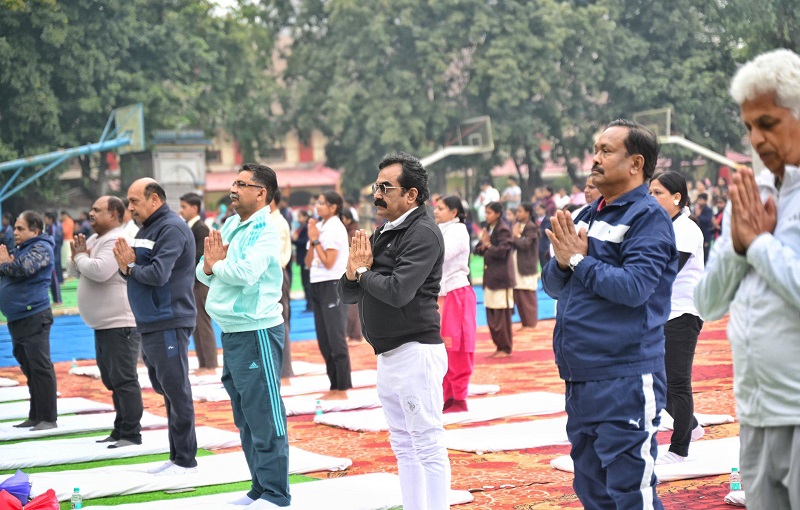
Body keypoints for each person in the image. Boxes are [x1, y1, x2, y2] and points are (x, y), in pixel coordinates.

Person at [542, 119, 677, 508]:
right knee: (592, 491)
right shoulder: (586, 215)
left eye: (605, 151)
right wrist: (566, 263)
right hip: (581, 376)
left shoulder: (647, 218)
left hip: (626, 377)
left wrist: (579, 262)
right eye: (595, 150)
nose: (595, 159)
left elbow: (634, 289)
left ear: (636, 163)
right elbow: (552, 284)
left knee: (630, 493)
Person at [695, 48, 800, 508]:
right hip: (755, 413)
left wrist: (759, 245)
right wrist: (740, 249)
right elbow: (708, 302)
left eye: (768, 123)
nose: (755, 139)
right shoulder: (749, 195)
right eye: (749, 126)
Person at [338, 151, 450, 509]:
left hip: (416, 351)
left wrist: (364, 273)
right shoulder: (385, 230)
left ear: (411, 195)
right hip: (389, 354)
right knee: (403, 442)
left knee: (428, 443)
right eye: (377, 186)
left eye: (386, 187)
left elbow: (399, 291)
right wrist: (354, 271)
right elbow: (347, 292)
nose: (377, 194)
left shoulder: (423, 232)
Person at [196, 164, 290, 508]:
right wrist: (212, 266)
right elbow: (205, 271)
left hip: (257, 331)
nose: (233, 189)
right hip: (233, 332)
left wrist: (216, 266)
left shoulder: (268, 228)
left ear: (261, 192)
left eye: (241, 184)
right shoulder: (233, 224)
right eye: (233, 182)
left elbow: (245, 273)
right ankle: (259, 487)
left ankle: (277, 494)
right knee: (246, 416)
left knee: (265, 414)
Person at [112, 178, 198, 476]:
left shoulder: (171, 228)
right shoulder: (145, 229)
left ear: (155, 199)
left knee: (177, 390)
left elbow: (159, 274)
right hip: (150, 321)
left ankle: (186, 460)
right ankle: (176, 455)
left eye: (135, 201)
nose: (130, 207)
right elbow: (135, 272)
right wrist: (129, 269)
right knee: (165, 389)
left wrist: (130, 268)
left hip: (169, 319)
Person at [67, 196, 143, 448]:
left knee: (123, 379)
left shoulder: (116, 239)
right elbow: (75, 270)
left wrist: (80, 258)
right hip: (104, 325)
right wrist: (78, 258)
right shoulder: (95, 238)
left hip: (119, 324)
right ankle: (120, 429)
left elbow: (99, 271)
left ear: (113, 214)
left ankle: (131, 433)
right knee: (112, 380)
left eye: (96, 210)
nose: (90, 213)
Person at [648, 171, 706, 464]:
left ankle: (679, 448)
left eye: (657, 193)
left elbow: (665, 271)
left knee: (677, 382)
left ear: (676, 197)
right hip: (662, 314)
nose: (652, 198)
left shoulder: (686, 228)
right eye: (650, 192)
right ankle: (692, 426)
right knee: (657, 381)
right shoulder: (661, 226)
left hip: (683, 313)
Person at [0, 211, 58, 430]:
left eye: (20, 228)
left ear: (35, 230)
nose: (15, 232)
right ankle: (36, 415)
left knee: (40, 367)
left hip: (34, 315)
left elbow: (23, 268)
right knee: (29, 368)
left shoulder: (41, 248)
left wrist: (4, 264)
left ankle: (48, 418)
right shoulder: (21, 249)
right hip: (18, 317)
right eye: (15, 228)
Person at [306, 191, 351, 399]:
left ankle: (342, 387)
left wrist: (315, 241)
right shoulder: (320, 227)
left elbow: (329, 262)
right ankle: (333, 385)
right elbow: (308, 263)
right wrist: (312, 239)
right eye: (318, 202)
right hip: (316, 283)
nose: (318, 206)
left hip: (332, 283)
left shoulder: (334, 228)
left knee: (336, 337)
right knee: (324, 339)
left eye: (322, 203)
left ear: (333, 207)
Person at [433, 195, 477, 413]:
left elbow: (440, 255)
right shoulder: (440, 229)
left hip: (456, 294)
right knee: (441, 349)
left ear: (454, 212)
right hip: (441, 295)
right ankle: (447, 395)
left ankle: (459, 397)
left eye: (441, 208)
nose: (436, 211)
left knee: (457, 347)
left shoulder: (458, 230)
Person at [179, 192, 218, 375]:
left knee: (203, 322)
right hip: (191, 281)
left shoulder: (200, 229)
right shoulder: (190, 228)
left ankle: (210, 364)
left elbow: (201, 257)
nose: (181, 210)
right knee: (195, 323)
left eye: (184, 207)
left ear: (194, 208)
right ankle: (204, 363)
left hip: (200, 282)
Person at [475, 201, 515, 358]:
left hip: (501, 279)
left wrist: (488, 245)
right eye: (485, 212)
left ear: (498, 214)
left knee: (501, 316)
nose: (486, 215)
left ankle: (505, 348)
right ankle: (499, 347)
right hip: (490, 278)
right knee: (492, 314)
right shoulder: (488, 229)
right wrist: (485, 245)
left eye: (489, 212)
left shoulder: (503, 230)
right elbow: (477, 250)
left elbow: (502, 251)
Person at [270, 189, 294, 380]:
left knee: (280, 321)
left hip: (276, 273)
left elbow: (274, 255)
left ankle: (285, 370)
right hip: (270, 274)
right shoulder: (269, 221)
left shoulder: (277, 223)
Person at [511, 202, 539, 329]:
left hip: (526, 265)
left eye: (520, 211)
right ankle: (524, 323)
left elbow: (525, 245)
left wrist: (515, 236)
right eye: (517, 211)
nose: (518, 214)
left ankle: (531, 323)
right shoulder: (517, 226)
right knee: (518, 295)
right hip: (517, 266)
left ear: (527, 213)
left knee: (527, 295)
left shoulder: (531, 227)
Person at [341, 209, 363, 343]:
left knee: (352, 305)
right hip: (350, 270)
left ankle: (355, 334)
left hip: (354, 270)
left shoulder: (354, 232)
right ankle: (352, 333)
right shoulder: (349, 231)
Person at [291, 209, 312, 312]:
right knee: (305, 282)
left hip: (305, 258)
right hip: (302, 258)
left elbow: (304, 242)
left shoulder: (307, 228)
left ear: (305, 217)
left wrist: (294, 240)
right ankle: (309, 304)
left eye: (300, 217)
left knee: (307, 282)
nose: (298, 219)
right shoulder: (301, 228)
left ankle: (310, 305)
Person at [43, 212, 63, 304]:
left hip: (53, 256)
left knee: (54, 278)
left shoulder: (54, 228)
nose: (44, 220)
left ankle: (58, 300)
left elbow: (54, 243)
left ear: (50, 219)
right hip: (49, 255)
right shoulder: (48, 228)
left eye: (45, 218)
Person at [693, 192, 714, 262]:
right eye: (699, 200)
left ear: (705, 201)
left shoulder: (708, 210)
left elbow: (708, 220)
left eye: (701, 200)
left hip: (706, 234)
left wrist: (699, 216)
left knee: (705, 254)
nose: (700, 202)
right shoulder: (695, 209)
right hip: (696, 234)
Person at [535, 202, 552, 269]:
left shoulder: (548, 219)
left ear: (544, 209)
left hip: (544, 245)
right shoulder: (535, 219)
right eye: (537, 210)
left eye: (539, 209)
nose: (538, 211)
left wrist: (537, 231)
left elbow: (546, 230)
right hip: (537, 245)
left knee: (544, 264)